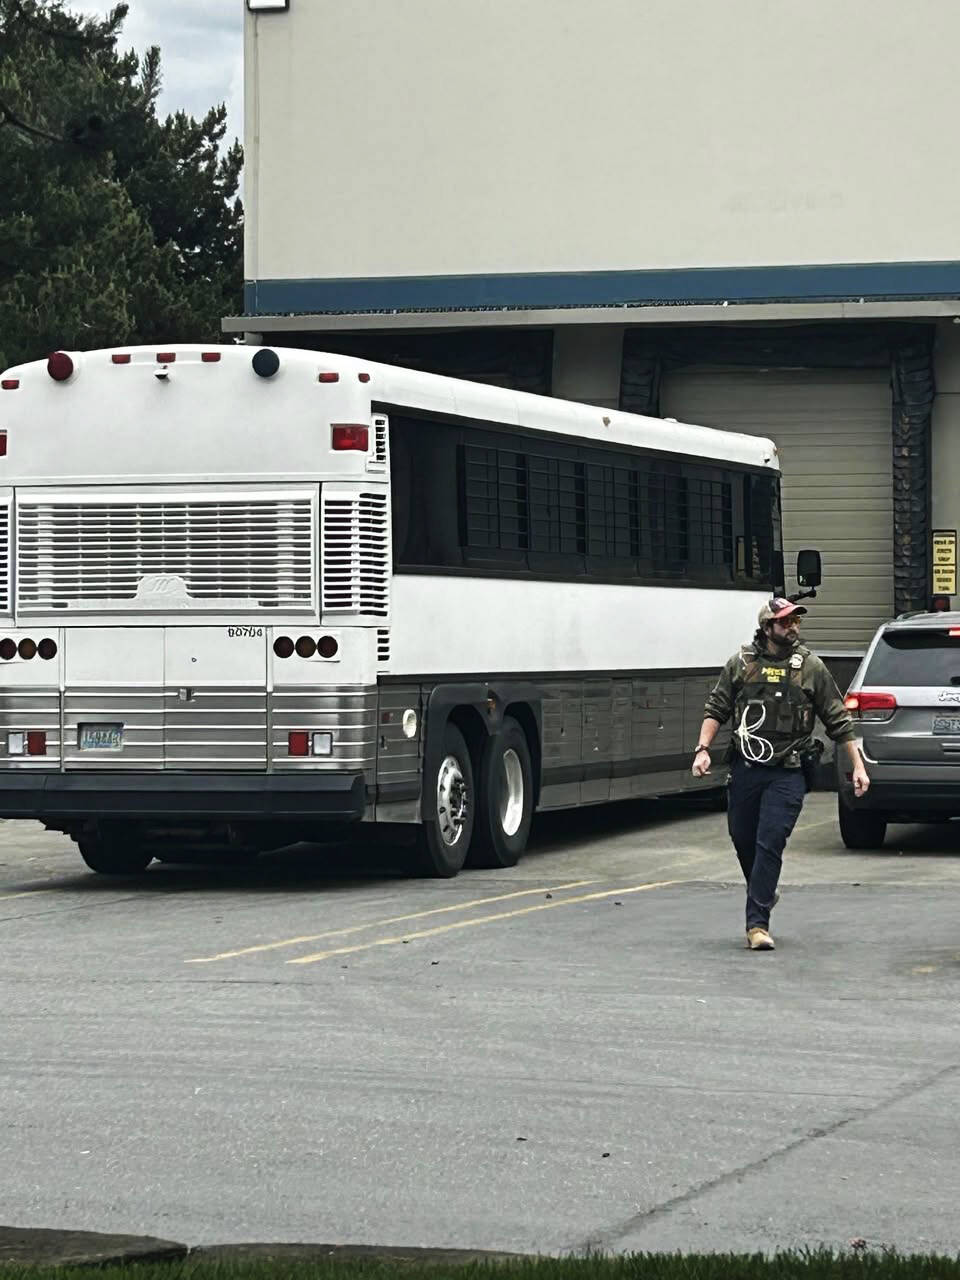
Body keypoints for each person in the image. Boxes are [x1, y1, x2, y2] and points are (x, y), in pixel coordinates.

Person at [692, 596, 870, 951]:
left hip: (788, 771)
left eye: (796, 621)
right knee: (743, 837)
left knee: (770, 839)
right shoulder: (741, 664)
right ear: (767, 627)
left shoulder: (810, 667)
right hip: (746, 768)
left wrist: (859, 765)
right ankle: (764, 890)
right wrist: (702, 749)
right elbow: (717, 708)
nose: (793, 627)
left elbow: (837, 719)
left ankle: (757, 924)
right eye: (786, 622)